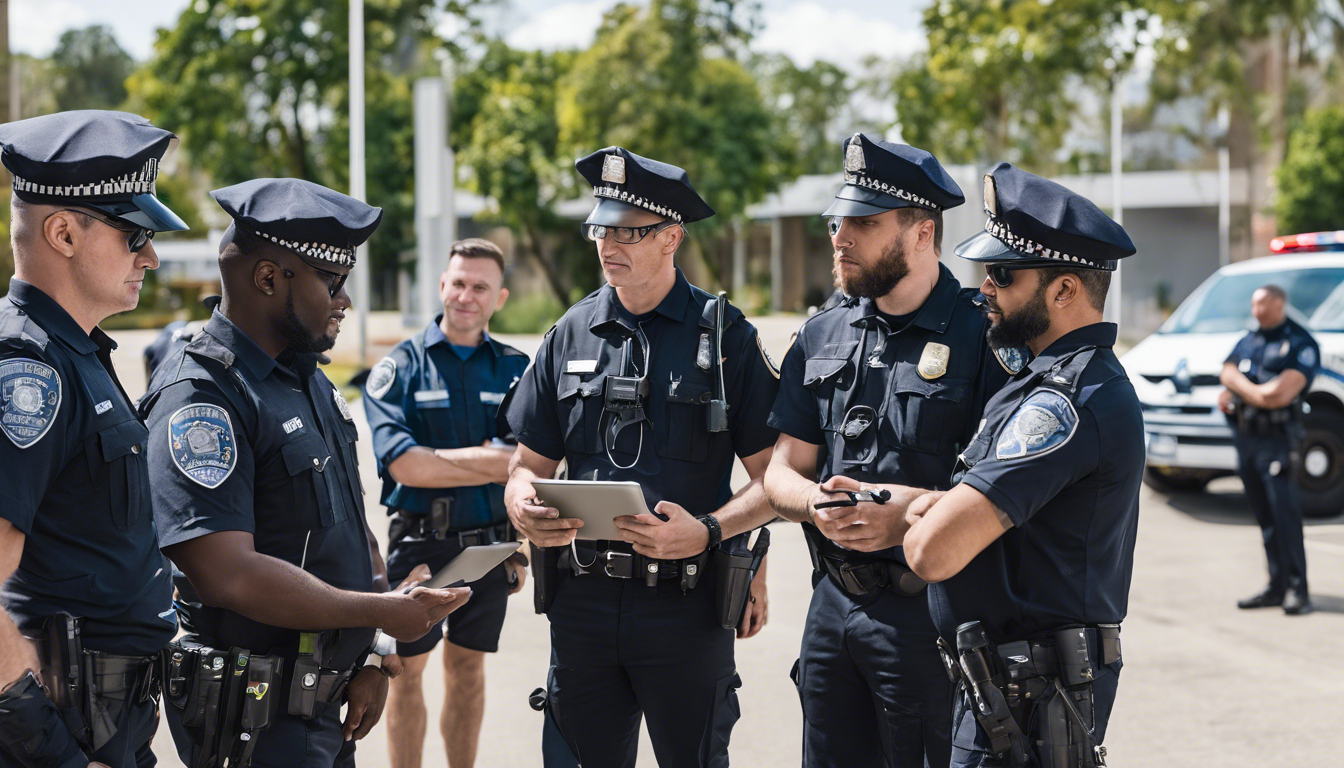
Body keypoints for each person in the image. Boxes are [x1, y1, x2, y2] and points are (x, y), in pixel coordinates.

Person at [798, 163, 1142, 768]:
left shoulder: (1065, 402)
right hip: (1003, 687)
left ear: (1063, 290)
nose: (984, 286)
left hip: (1032, 701)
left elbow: (934, 551)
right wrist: (932, 506)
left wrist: (913, 512)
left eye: (1003, 275)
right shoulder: (1039, 381)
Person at [139, 178, 471, 768]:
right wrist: (376, 612)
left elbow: (346, 519)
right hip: (252, 721)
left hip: (326, 704)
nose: (345, 300)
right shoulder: (203, 395)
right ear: (268, 279)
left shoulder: (307, 378)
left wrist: (371, 649)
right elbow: (226, 574)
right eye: (332, 281)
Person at [503, 147, 778, 768]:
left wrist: (709, 533)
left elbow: (775, 481)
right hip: (582, 607)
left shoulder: (726, 336)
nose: (609, 243)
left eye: (630, 230)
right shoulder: (569, 332)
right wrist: (522, 504)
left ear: (671, 237)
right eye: (602, 226)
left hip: (685, 608)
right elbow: (525, 467)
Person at [762, 133, 1018, 768]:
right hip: (834, 608)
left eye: (865, 223)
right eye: (837, 221)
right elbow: (781, 470)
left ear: (922, 233)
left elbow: (1010, 489)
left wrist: (905, 514)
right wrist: (816, 503)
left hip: (930, 614)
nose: (841, 238)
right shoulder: (822, 331)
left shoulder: (984, 335)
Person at [0, 109, 189, 768]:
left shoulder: (74, 351)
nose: (152, 255)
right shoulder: (28, 366)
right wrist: (54, 754)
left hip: (105, 718)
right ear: (63, 233)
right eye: (134, 233)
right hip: (56, 730)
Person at [362, 238, 531, 768]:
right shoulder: (400, 367)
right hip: (419, 544)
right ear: (442, 286)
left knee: (467, 671)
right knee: (405, 673)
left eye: (480, 286)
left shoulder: (516, 369)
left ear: (498, 297)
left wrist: (520, 546)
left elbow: (535, 464)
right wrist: (493, 456)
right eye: (457, 283)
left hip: (490, 544)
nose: (466, 295)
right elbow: (406, 466)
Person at [1219, 284, 1319, 615]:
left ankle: (1297, 590)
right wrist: (1255, 392)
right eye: (1253, 304)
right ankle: (1276, 586)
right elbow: (1227, 371)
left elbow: (1277, 396)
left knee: (1285, 516)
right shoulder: (1250, 339)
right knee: (1265, 518)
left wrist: (1240, 389)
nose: (1256, 310)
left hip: (1278, 441)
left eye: (1261, 304)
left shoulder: (1300, 342)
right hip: (1247, 439)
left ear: (1279, 303)